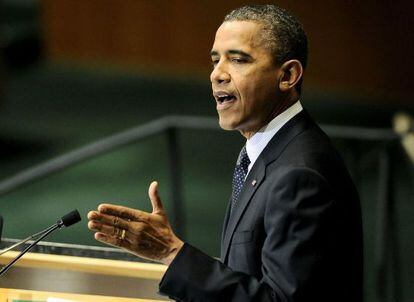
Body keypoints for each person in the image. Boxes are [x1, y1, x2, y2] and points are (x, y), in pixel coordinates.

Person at [87, 4, 363, 302]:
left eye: (238, 60)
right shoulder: (265, 151)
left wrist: (172, 253)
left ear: (288, 75)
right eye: (215, 60)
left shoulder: (298, 175)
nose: (217, 74)